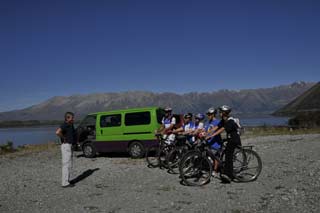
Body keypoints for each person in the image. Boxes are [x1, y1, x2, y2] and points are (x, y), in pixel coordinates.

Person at [208, 105, 242, 183]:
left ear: (224, 113)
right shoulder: (224, 120)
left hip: (234, 139)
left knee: (228, 155)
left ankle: (229, 175)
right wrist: (207, 134)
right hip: (229, 139)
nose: (219, 113)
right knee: (224, 152)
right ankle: (225, 170)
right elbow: (216, 127)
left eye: (220, 112)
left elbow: (222, 129)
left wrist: (212, 135)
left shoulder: (230, 121)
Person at [56, 112, 77, 188]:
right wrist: (63, 138)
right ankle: (64, 183)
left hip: (70, 145)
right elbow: (57, 132)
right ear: (67, 118)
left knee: (69, 164)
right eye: (72, 118)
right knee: (66, 164)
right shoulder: (65, 124)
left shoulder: (70, 124)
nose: (73, 119)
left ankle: (67, 180)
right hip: (66, 146)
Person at [204, 107, 222, 177]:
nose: (208, 116)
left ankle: (215, 170)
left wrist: (211, 135)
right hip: (209, 142)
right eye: (208, 114)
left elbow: (218, 131)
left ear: (213, 114)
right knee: (211, 156)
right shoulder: (208, 122)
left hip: (216, 142)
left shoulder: (217, 122)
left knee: (215, 157)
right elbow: (205, 130)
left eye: (209, 114)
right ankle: (212, 168)